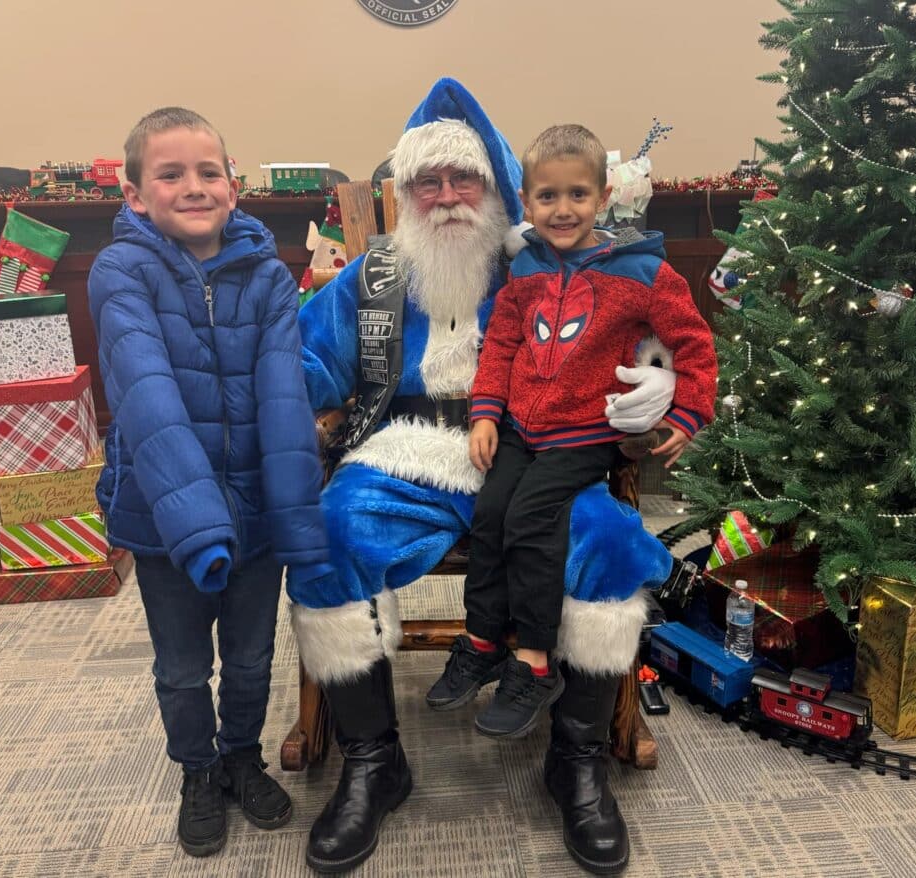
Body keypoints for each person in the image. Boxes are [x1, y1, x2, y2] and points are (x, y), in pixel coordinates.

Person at [291, 78, 685, 875]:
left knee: (610, 543)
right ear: (406, 195)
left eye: (461, 179)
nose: (444, 198)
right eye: (426, 182)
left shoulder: (542, 266)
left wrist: (660, 376)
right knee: (327, 538)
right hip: (398, 452)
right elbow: (305, 364)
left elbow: (642, 326)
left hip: (534, 451)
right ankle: (373, 760)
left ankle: (575, 760)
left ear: (498, 188)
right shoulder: (372, 277)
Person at [87, 107, 337, 858]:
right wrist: (196, 526)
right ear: (136, 194)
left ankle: (240, 758)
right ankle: (198, 772)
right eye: (170, 174)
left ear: (233, 185)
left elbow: (284, 401)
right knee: (183, 666)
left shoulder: (266, 276)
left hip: (255, 510)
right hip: (164, 519)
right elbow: (148, 400)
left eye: (208, 172)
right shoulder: (120, 273)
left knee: (253, 657)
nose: (193, 187)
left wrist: (296, 521)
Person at [429, 124, 717, 740]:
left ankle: (534, 661)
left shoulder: (642, 271)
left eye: (578, 195)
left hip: (586, 431)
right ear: (526, 202)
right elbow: (501, 345)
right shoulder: (525, 267)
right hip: (519, 426)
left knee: (529, 516)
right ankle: (482, 640)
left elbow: (694, 342)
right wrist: (485, 413)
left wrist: (689, 412)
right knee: (490, 511)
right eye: (548, 196)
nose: (563, 210)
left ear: (603, 196)